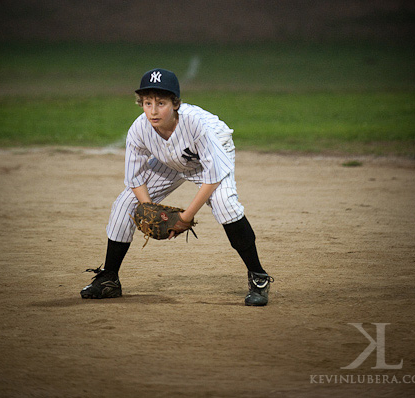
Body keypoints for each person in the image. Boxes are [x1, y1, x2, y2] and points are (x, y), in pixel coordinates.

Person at [80, 68, 273, 306]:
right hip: (169, 161)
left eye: (161, 103)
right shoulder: (139, 129)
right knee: (123, 204)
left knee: (225, 204)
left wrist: (185, 217)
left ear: (175, 104)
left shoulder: (194, 124)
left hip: (210, 155)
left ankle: (259, 277)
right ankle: (109, 278)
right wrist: (148, 208)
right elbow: (135, 178)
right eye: (147, 102)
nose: (153, 110)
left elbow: (213, 175)